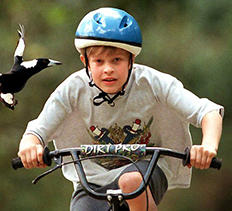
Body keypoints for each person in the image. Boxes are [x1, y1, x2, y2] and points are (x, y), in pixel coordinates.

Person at [17, 7, 224, 211]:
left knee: (131, 182)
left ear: (131, 60)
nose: (108, 69)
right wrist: (30, 147)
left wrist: (208, 147)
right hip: (92, 180)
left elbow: (208, 113)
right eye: (99, 61)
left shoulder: (153, 83)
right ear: (85, 62)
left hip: (148, 169)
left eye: (117, 60)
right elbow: (37, 131)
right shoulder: (72, 90)